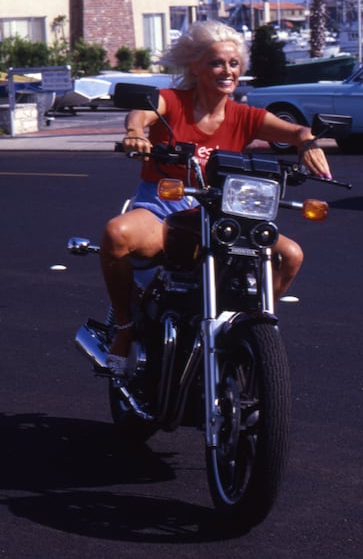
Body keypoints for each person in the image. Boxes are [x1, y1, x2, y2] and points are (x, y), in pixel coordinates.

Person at [101, 20, 332, 376]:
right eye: (217, 63)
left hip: (222, 212)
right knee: (117, 234)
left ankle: (249, 326)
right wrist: (135, 132)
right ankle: (126, 327)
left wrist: (307, 142)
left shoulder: (245, 115)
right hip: (165, 208)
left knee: (289, 254)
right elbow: (142, 113)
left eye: (234, 63)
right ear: (196, 66)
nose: (228, 71)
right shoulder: (173, 101)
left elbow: (297, 130)